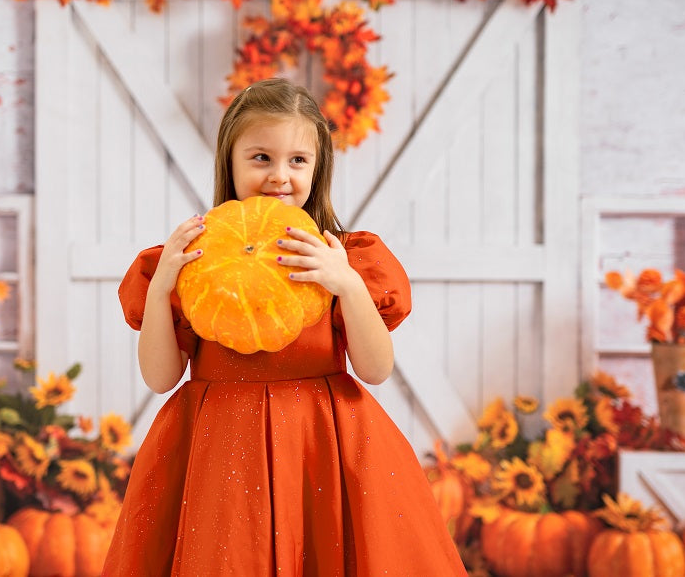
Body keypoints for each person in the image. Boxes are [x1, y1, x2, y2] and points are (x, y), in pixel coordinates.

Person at [102, 78, 467, 576]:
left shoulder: (342, 256)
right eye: (260, 158)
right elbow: (161, 377)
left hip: (325, 445)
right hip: (220, 451)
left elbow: (376, 370)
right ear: (229, 163)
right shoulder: (197, 260)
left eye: (298, 160)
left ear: (318, 170)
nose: (280, 175)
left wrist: (348, 286)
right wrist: (166, 280)